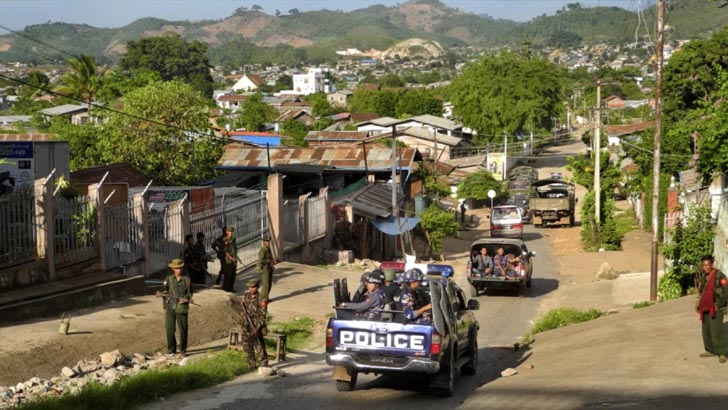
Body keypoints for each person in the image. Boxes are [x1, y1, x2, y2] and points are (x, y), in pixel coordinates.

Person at [695, 255, 728, 363]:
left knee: (716, 331)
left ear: (712, 264)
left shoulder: (719, 276)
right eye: (703, 265)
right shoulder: (704, 276)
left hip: (716, 306)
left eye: (707, 265)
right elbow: (701, 291)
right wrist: (698, 302)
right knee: (706, 330)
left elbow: (726, 292)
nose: (705, 267)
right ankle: (710, 350)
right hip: (705, 306)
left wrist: (719, 304)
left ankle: (722, 353)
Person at [162, 258, 192, 357]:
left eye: (180, 268)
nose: (179, 270)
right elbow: (164, 293)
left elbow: (190, 292)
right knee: (169, 328)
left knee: (183, 329)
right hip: (170, 306)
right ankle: (171, 349)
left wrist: (185, 299)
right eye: (176, 268)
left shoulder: (186, 279)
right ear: (173, 269)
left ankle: (183, 350)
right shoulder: (168, 279)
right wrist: (164, 307)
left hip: (181, 307)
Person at [240, 278, 269, 370]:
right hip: (246, 324)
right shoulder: (246, 296)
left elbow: (263, 315)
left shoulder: (262, 299)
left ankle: (263, 363)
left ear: (257, 287)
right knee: (247, 345)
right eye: (249, 287)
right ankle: (251, 364)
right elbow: (242, 310)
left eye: (253, 287)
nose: (251, 289)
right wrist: (243, 315)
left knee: (259, 345)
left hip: (256, 325)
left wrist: (257, 327)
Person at [257, 235, 276, 301]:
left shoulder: (268, 249)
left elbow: (270, 257)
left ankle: (266, 297)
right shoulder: (262, 250)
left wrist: (272, 260)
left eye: (269, 242)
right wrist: (269, 261)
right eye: (267, 241)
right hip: (265, 269)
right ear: (264, 242)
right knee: (265, 285)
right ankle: (263, 299)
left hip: (269, 268)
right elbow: (261, 260)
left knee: (269, 284)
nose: (268, 243)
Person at [221, 227, 239, 292]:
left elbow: (235, 248)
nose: (231, 233)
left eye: (232, 232)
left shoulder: (233, 239)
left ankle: (231, 288)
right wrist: (231, 258)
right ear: (226, 232)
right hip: (228, 260)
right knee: (228, 275)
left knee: (233, 275)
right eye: (229, 232)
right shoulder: (225, 240)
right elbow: (225, 252)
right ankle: (226, 289)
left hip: (234, 259)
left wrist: (235, 257)